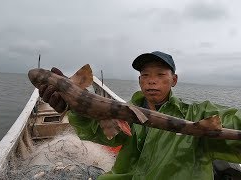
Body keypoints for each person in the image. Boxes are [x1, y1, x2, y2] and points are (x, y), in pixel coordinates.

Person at [39, 51, 241, 179]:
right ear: (139, 80)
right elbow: (98, 133)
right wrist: (76, 108)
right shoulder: (123, 112)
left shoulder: (197, 113)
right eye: (145, 75)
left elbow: (235, 121)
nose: (152, 81)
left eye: (161, 74)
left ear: (174, 80)